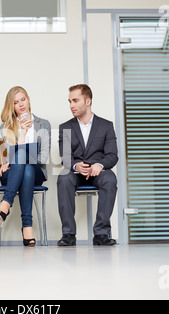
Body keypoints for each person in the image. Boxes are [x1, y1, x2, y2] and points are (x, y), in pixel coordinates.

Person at [57, 84, 118, 246]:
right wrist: (76, 166)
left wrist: (100, 164)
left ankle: (101, 233)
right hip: (75, 173)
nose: (71, 105)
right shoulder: (66, 127)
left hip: (98, 172)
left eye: (75, 101)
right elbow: (66, 157)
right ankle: (68, 234)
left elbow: (112, 155)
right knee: (64, 178)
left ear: (88, 101)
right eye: (69, 101)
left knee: (110, 179)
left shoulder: (106, 126)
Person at [0, 86, 51, 246]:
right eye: (16, 102)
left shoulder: (43, 124)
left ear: (29, 99)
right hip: (11, 173)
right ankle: (27, 227)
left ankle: (6, 203)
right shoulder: (5, 126)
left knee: (23, 158)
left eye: (23, 99)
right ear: (12, 106)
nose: (20, 104)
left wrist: (17, 156)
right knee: (24, 167)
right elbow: (7, 156)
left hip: (37, 171)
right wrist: (23, 133)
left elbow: (43, 157)